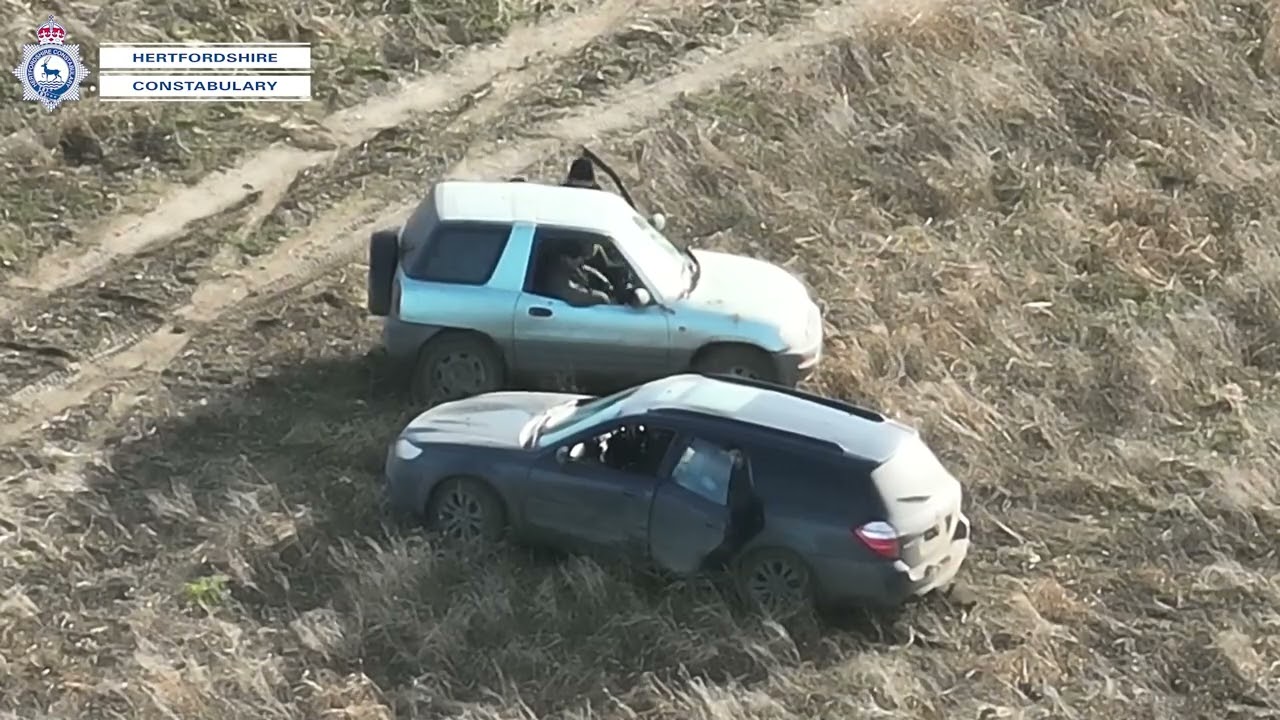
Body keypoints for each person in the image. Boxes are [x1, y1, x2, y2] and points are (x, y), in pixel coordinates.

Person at [544, 242, 613, 307]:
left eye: (581, 256)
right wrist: (602, 297)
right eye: (576, 256)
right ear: (564, 258)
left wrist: (603, 280)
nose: (580, 260)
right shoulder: (555, 276)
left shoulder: (570, 267)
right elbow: (571, 296)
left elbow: (584, 268)